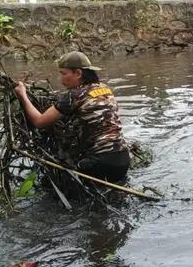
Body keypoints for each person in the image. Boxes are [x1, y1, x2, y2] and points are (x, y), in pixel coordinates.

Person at [13, 51, 130, 182]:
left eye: (63, 74)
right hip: (124, 160)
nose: (61, 79)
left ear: (78, 73)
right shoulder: (105, 89)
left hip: (101, 164)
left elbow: (39, 122)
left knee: (56, 181)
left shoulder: (73, 96)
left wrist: (23, 95)